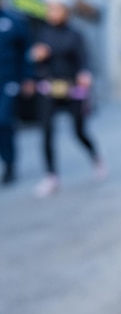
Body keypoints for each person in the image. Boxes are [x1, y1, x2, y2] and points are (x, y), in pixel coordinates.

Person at [30, 0, 105, 198]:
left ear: (65, 11)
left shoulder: (75, 35)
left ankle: (95, 158)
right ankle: (51, 176)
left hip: (72, 89)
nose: (51, 12)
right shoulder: (42, 33)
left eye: (55, 8)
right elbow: (32, 58)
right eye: (49, 8)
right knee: (46, 131)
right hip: (49, 88)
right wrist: (36, 56)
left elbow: (85, 60)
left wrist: (85, 74)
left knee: (79, 131)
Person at [0, 1, 34, 185]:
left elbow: (26, 51)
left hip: (8, 81)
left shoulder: (14, 21)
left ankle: (9, 164)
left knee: (3, 122)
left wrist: (28, 77)